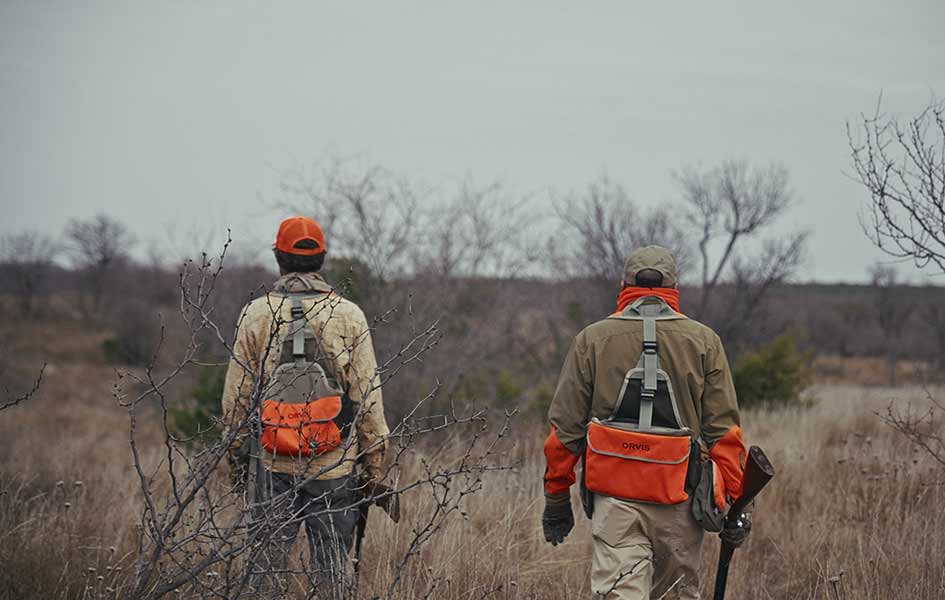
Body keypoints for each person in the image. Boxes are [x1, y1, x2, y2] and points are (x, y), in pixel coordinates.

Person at [541, 246, 750, 599]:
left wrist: (557, 496)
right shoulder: (704, 341)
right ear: (674, 287)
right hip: (680, 498)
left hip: (615, 498)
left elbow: (565, 432)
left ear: (624, 284)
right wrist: (738, 506)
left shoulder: (591, 340)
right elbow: (724, 435)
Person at [220, 216, 392, 596]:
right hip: (334, 464)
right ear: (322, 259)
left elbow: (235, 400)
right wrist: (373, 469)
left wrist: (235, 462)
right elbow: (369, 400)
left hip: (270, 463)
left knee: (263, 574)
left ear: (278, 258)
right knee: (331, 572)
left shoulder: (255, 314)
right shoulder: (349, 315)